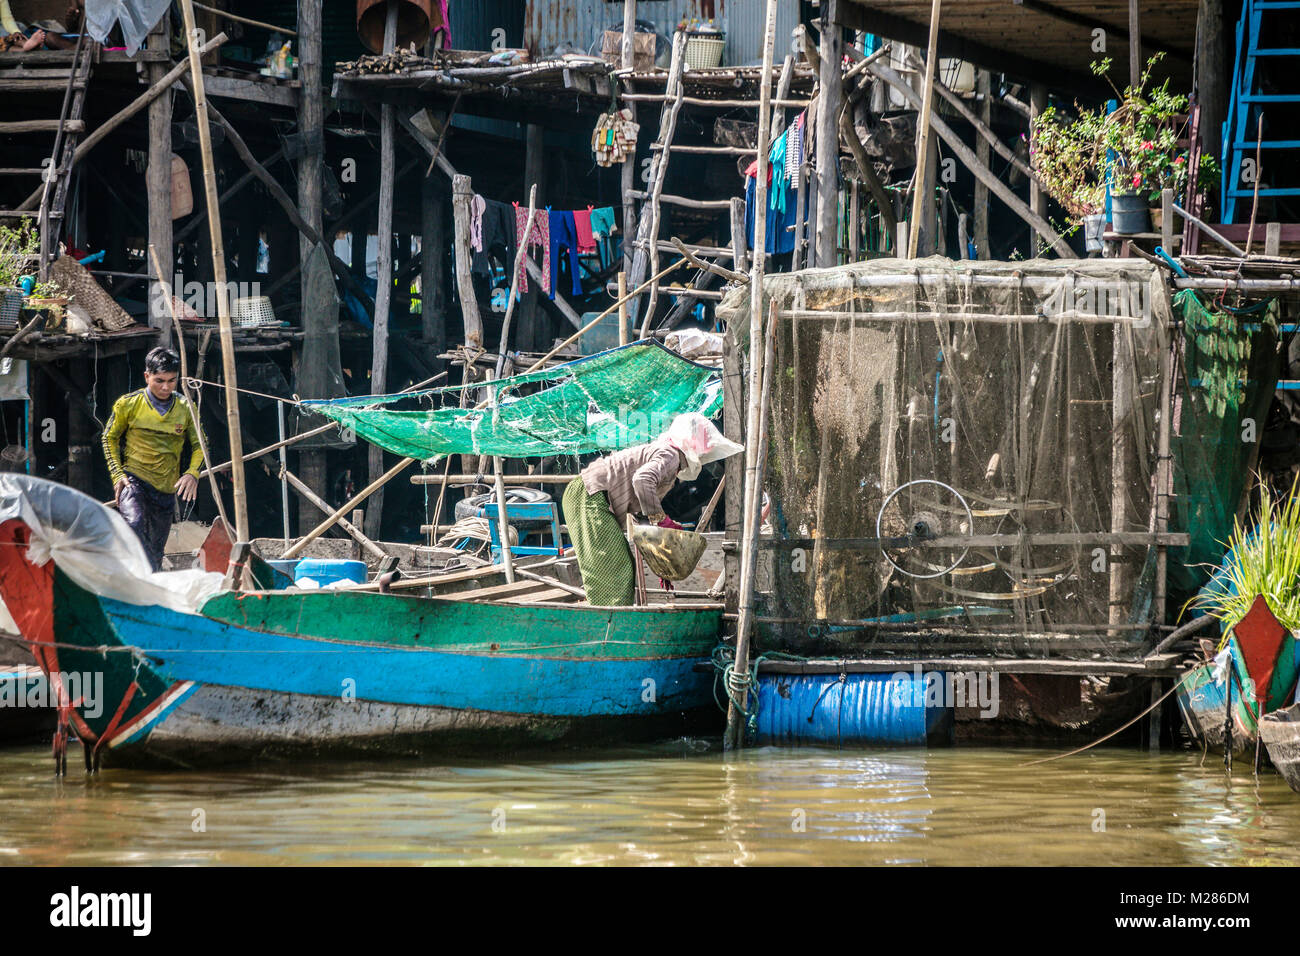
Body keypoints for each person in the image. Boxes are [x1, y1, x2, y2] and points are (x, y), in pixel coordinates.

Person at [562, 412, 741, 606]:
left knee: (623, 565)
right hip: (589, 495)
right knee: (612, 568)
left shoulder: (667, 458)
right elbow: (642, 480)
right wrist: (661, 519)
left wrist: (662, 563)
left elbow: (642, 514)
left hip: (589, 495)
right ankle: (607, 620)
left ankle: (612, 618)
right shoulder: (670, 454)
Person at [102, 347, 205, 571]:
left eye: (171, 381)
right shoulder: (128, 404)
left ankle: (150, 583)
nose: (166, 387)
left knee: (156, 551)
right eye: (159, 381)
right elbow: (109, 438)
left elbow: (200, 444)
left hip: (165, 489)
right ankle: (125, 573)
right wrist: (117, 474)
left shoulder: (186, 407)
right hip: (134, 481)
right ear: (147, 376)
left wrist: (192, 473)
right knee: (134, 524)